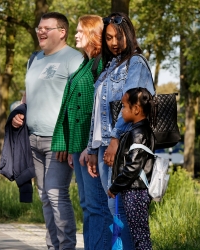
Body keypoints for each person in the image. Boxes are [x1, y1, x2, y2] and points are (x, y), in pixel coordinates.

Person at [12, 12, 83, 250]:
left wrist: (71, 142)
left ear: (62, 32)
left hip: (58, 141)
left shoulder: (74, 59)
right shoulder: (34, 59)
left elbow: (79, 103)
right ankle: (52, 246)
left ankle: (66, 247)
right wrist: (18, 112)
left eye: (46, 28)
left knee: (56, 195)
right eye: (38, 28)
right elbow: (26, 96)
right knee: (44, 197)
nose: (40, 31)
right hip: (33, 139)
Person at [86, 12, 155, 249]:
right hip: (105, 144)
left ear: (129, 34)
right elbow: (98, 112)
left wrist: (114, 140)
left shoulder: (135, 63)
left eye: (118, 37)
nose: (114, 43)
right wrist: (92, 148)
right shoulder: (110, 66)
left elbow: (132, 107)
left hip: (122, 146)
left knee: (121, 212)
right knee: (110, 209)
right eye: (108, 38)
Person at [51, 15, 111, 249]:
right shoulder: (86, 63)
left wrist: (91, 146)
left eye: (80, 31)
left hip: (91, 147)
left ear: (94, 35)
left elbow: (101, 109)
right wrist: (69, 145)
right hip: (80, 147)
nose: (75, 35)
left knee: (97, 206)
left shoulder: (101, 64)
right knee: (87, 205)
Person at [108, 87, 155, 250]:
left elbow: (133, 166)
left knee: (140, 236)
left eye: (124, 106)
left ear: (136, 109)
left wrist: (115, 186)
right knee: (138, 234)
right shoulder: (138, 130)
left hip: (136, 192)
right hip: (134, 191)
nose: (121, 111)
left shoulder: (139, 133)